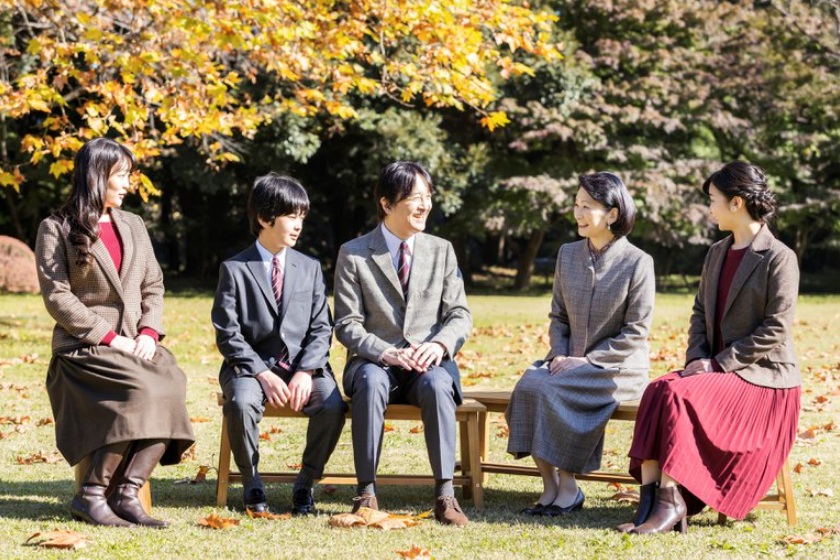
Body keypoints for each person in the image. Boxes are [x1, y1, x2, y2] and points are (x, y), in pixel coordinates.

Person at [622, 161, 801, 534]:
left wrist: (717, 365)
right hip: (715, 371)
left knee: (679, 396)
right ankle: (649, 502)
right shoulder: (717, 252)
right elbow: (700, 313)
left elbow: (776, 328)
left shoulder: (780, 257)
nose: (709, 208)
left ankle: (673, 502)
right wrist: (697, 359)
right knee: (658, 389)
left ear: (737, 203)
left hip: (765, 382)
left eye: (713, 200)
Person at [35, 138, 194, 528]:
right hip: (84, 349)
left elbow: (153, 287)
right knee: (139, 390)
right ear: (96, 177)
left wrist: (149, 332)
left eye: (127, 175)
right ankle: (91, 494)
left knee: (172, 382)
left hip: (137, 344)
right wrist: (112, 338)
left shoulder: (134, 225)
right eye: (120, 175)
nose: (127, 183)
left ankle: (126, 492)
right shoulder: (55, 228)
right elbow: (58, 298)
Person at [506, 172, 654, 516]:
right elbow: (558, 316)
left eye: (587, 206)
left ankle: (569, 486)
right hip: (565, 360)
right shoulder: (567, 254)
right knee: (529, 385)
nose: (578, 213)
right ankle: (549, 487)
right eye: (576, 205)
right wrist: (561, 353)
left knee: (551, 390)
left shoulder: (638, 262)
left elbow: (636, 330)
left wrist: (588, 361)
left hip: (617, 368)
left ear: (613, 214)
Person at [333, 161, 472, 526]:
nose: (424, 205)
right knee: (371, 381)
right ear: (386, 203)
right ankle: (366, 491)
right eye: (414, 197)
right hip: (374, 362)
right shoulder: (354, 252)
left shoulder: (442, 250)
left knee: (440, 384)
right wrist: (384, 351)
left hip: (427, 364)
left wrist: (440, 346)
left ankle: (445, 494)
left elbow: (460, 314)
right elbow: (346, 324)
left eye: (428, 197)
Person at [212, 173, 346, 516]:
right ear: (263, 218)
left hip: (304, 367)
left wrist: (306, 371)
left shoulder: (310, 268)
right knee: (241, 403)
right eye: (291, 215)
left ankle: (306, 482)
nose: (299, 224)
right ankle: (252, 480)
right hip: (250, 369)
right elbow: (228, 333)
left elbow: (321, 327)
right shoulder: (234, 269)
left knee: (332, 407)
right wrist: (261, 374)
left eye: (302, 216)